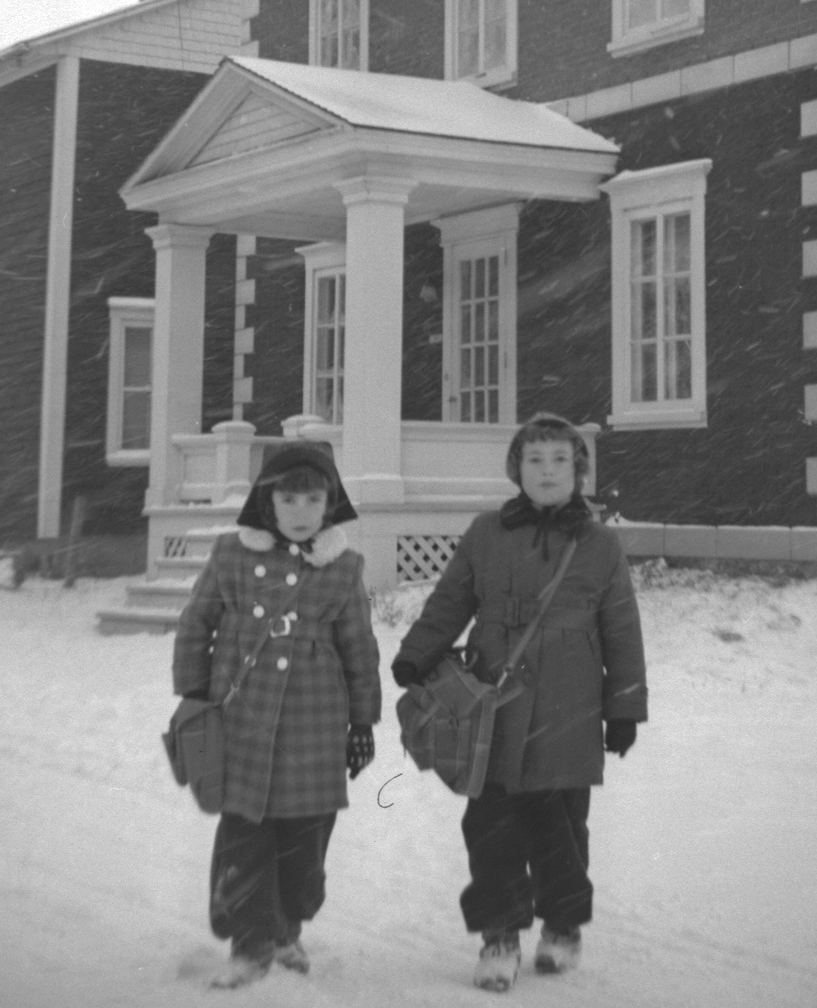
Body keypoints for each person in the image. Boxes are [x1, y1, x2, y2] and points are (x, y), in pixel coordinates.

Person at [392, 413, 647, 992]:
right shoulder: (486, 532)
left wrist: (625, 706)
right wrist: (417, 653)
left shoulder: (601, 544)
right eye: (535, 460)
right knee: (492, 822)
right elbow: (450, 599)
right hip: (496, 704)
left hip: (570, 703)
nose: (548, 471)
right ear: (517, 470)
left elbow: (622, 629)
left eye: (560, 459)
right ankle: (500, 935)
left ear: (578, 470)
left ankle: (562, 927)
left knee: (562, 824)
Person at [172, 441, 381, 989]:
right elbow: (197, 623)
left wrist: (363, 723)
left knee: (304, 845)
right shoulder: (230, 555)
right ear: (267, 503)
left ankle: (287, 927)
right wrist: (193, 691)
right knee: (246, 834)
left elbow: (359, 649)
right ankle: (250, 942)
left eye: (312, 500)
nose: (299, 511)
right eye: (287, 499)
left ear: (329, 504)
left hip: (313, 728)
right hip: (241, 720)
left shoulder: (343, 568)